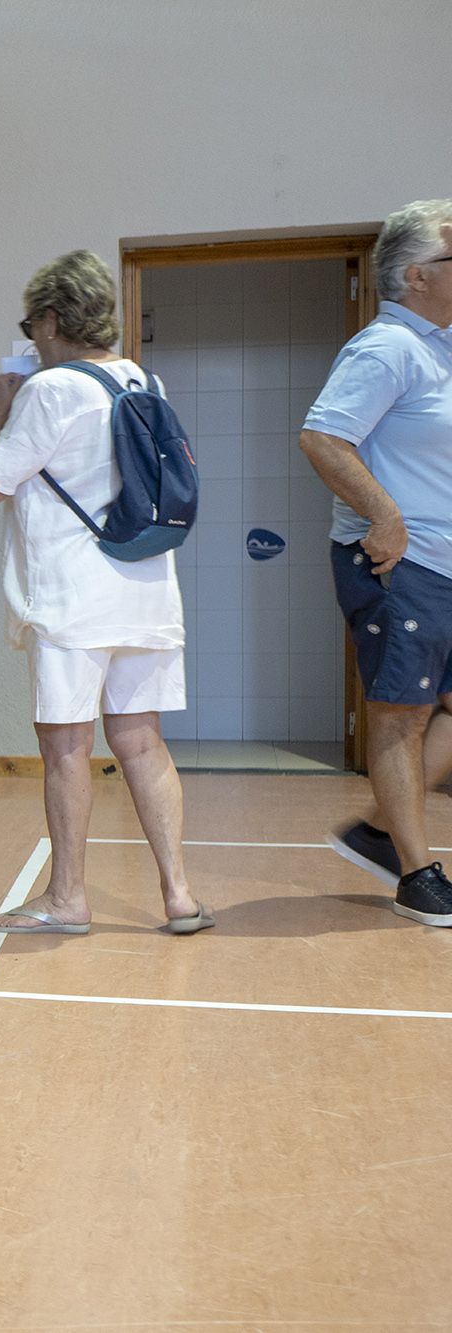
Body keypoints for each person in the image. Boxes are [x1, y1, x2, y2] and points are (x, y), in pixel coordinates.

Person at [0, 251, 209, 935]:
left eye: (33, 322)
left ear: (49, 319)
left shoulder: (48, 391)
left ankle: (68, 897)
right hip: (146, 588)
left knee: (67, 745)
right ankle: (180, 893)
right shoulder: (142, 378)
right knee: (142, 740)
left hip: (74, 599)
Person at [302, 199, 452, 928]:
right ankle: (418, 871)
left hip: (445, 563)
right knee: (402, 714)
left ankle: (378, 831)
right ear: (417, 275)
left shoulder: (440, 347)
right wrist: (385, 515)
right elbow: (325, 438)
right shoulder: (386, 347)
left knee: (439, 710)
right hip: (401, 561)